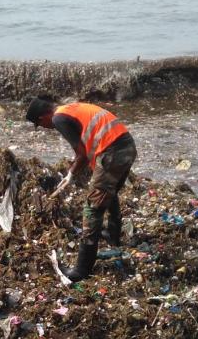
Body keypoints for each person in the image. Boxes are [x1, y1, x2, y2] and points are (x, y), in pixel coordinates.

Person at [25, 98, 137, 281]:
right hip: (127, 145)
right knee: (109, 192)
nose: (44, 127)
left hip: (112, 151)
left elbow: (82, 154)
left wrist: (70, 174)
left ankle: (82, 270)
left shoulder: (58, 118)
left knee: (92, 209)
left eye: (40, 124)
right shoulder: (73, 107)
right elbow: (89, 146)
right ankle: (113, 236)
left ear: (43, 116)